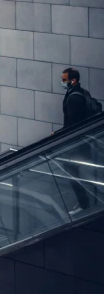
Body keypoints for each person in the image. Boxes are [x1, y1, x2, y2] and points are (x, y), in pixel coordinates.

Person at [61, 68, 93, 213]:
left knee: (70, 169)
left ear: (73, 81)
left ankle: (84, 203)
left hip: (76, 144)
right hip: (82, 141)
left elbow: (72, 124)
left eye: (64, 80)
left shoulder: (74, 98)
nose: (62, 82)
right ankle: (83, 201)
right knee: (73, 169)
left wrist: (58, 134)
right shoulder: (81, 92)